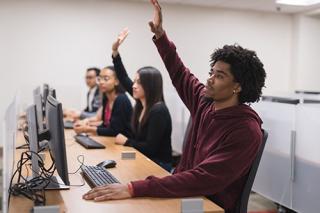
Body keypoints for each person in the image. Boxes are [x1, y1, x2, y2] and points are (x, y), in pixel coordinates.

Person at [83, 1, 266, 212]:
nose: (209, 79)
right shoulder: (205, 102)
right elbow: (179, 72)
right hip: (184, 193)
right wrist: (160, 36)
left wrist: (134, 188)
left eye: (220, 76)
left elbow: (204, 179)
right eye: (211, 72)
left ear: (238, 86)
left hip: (208, 205)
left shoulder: (246, 130)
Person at [111, 28, 173, 172]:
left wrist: (126, 141)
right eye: (134, 81)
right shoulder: (141, 102)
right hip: (143, 157)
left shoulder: (158, 110)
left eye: (138, 82)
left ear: (149, 86)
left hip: (159, 165)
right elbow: (122, 77)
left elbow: (150, 148)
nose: (133, 86)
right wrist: (115, 51)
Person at [74, 66, 132, 138]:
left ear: (116, 81)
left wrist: (87, 129)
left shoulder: (121, 100)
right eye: (99, 79)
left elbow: (115, 131)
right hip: (113, 140)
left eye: (106, 79)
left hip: (125, 145)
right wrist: (88, 126)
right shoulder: (106, 98)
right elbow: (105, 125)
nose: (101, 82)